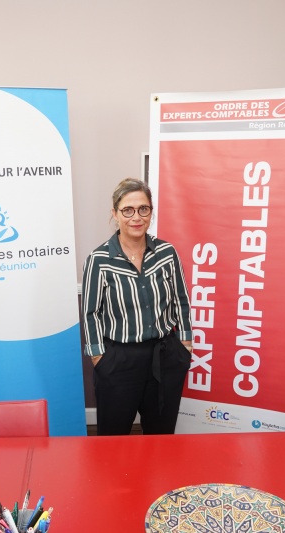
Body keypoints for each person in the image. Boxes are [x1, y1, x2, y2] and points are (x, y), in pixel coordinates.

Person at [82, 178, 192, 435]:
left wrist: (185, 346)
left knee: (161, 435)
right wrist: (99, 358)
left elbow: (181, 299)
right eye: (128, 210)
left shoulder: (166, 253)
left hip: (164, 356)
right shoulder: (99, 260)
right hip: (118, 361)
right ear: (115, 214)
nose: (136, 217)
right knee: (114, 437)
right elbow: (91, 313)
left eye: (143, 209)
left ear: (151, 212)